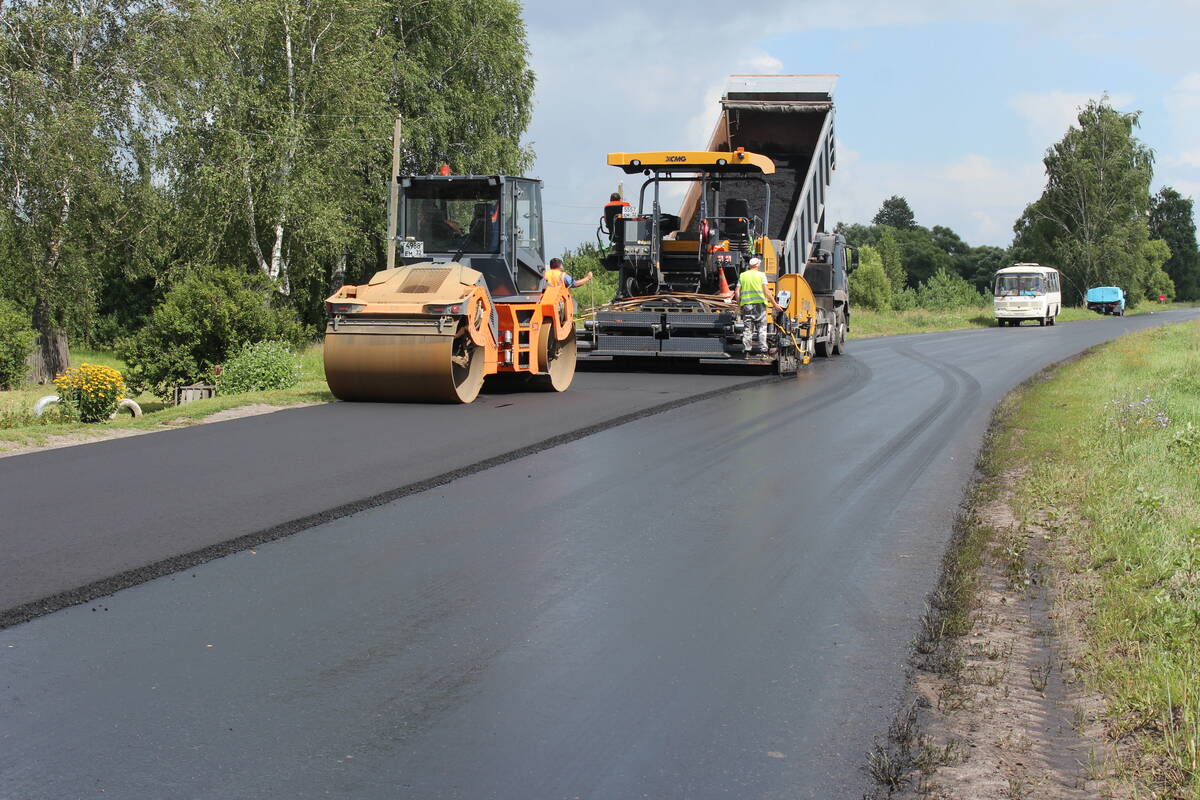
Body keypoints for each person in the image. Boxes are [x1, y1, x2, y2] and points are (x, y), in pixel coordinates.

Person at [733, 257, 783, 356]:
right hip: (759, 305)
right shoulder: (761, 275)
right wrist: (775, 304)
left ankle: (747, 350)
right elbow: (766, 291)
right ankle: (763, 350)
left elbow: (737, 292)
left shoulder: (743, 275)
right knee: (762, 328)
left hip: (747, 305)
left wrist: (739, 305)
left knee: (747, 328)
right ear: (757, 265)